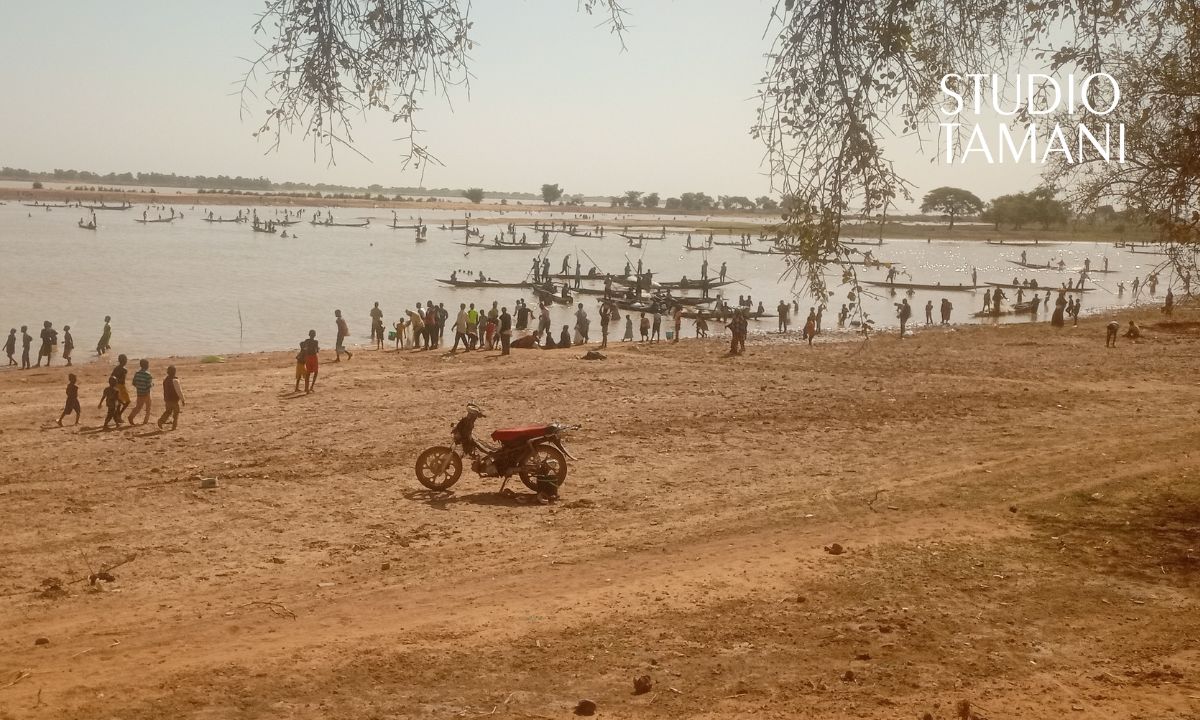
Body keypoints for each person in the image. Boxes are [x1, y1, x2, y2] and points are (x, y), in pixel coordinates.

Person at [157, 365, 184, 430]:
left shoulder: (165, 380)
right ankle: (174, 426)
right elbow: (179, 391)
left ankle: (161, 421)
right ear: (174, 372)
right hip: (174, 400)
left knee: (168, 412)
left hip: (167, 400)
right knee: (176, 414)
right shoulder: (175, 380)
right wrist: (182, 399)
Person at [127, 359, 154, 425]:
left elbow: (133, 383)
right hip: (146, 393)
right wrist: (152, 384)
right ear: (147, 366)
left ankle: (131, 416)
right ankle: (145, 421)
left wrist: (139, 387)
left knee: (138, 407)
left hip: (139, 392)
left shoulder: (137, 373)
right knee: (148, 407)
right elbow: (148, 386)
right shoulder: (148, 375)